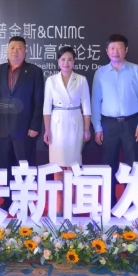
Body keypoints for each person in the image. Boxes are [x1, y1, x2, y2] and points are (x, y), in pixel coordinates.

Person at [91, 33, 138, 207]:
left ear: (126, 50)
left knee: (133, 164)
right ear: (107, 51)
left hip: (132, 124)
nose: (115, 51)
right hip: (109, 125)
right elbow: (95, 101)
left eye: (119, 48)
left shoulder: (136, 70)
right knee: (108, 165)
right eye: (112, 48)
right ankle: (109, 203)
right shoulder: (101, 73)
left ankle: (131, 203)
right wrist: (97, 127)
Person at [0, 36, 44, 210]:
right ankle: (7, 200)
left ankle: (25, 200)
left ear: (25, 51)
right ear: (7, 51)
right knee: (6, 167)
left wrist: (35, 125)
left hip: (25, 129)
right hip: (3, 128)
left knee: (25, 166)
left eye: (19, 48)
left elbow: (38, 100)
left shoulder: (34, 71)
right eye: (12, 48)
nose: (15, 51)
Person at [42, 46, 92, 212]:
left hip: (75, 122)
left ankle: (72, 206)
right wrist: (47, 130)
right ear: (58, 61)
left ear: (74, 62)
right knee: (57, 166)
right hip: (56, 124)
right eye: (63, 59)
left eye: (70, 59)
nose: (66, 63)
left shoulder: (81, 80)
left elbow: (87, 106)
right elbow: (46, 108)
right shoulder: (51, 80)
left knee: (74, 167)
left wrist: (87, 129)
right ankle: (59, 207)